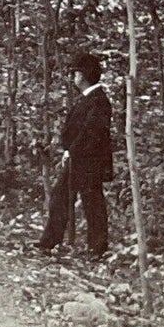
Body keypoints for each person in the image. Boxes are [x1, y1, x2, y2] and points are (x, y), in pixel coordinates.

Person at [37, 51, 114, 256]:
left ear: (85, 74)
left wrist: (72, 151)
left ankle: (97, 248)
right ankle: (50, 242)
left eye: (76, 73)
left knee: (91, 203)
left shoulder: (99, 101)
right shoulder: (88, 99)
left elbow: (92, 132)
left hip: (88, 161)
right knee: (63, 198)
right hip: (79, 159)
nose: (74, 77)